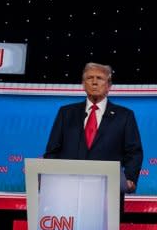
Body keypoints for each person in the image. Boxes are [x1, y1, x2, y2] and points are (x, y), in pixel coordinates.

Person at [44, 62, 143, 217]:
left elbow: (134, 152)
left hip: (107, 193)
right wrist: (51, 179)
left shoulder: (124, 116)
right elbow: (52, 151)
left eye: (100, 78)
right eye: (90, 78)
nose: (94, 82)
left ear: (109, 85)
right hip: (67, 193)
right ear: (83, 84)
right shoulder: (66, 113)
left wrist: (129, 178)